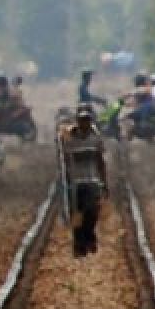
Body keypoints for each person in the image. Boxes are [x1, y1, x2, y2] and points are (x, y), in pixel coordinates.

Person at [61, 105, 108, 256]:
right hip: (75, 183)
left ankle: (89, 236)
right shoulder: (70, 138)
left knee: (92, 212)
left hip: (92, 180)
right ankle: (79, 242)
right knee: (77, 214)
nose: (84, 123)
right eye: (81, 120)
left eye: (87, 120)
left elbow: (100, 161)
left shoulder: (95, 137)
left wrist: (104, 182)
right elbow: (63, 158)